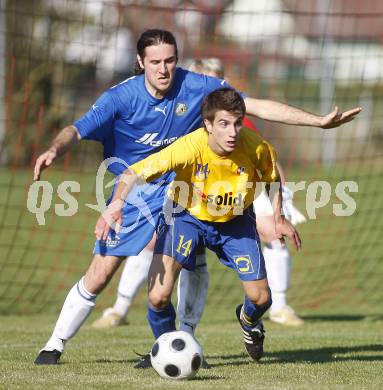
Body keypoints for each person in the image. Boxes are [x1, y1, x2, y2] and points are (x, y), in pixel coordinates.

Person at [33, 29, 361, 366]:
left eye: (170, 60)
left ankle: (182, 339)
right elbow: (77, 129)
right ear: (140, 62)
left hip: (188, 188)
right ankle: (54, 344)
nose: (164, 69)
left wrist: (318, 122)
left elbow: (255, 105)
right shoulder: (120, 97)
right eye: (156, 62)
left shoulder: (197, 86)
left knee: (195, 260)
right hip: (137, 189)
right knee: (100, 273)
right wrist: (54, 150)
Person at [96, 88, 302, 363]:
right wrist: (116, 203)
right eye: (224, 124)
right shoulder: (189, 147)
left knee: (262, 298)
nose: (233, 132)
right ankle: (168, 347)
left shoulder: (256, 147)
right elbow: (132, 172)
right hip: (186, 216)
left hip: (235, 222)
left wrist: (279, 218)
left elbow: (273, 178)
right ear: (207, 124)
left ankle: (249, 321)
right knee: (158, 296)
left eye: (238, 123)